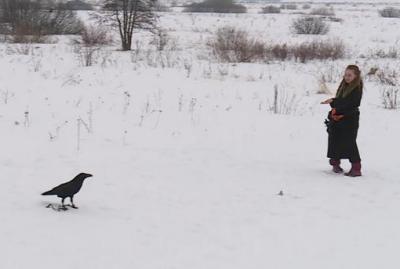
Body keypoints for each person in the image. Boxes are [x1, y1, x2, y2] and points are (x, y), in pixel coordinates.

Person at [321, 65, 363, 177]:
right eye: (345, 75)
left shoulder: (357, 88)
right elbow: (341, 100)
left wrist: (336, 106)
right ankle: (335, 163)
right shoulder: (344, 86)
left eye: (350, 75)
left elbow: (352, 103)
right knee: (334, 139)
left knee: (349, 142)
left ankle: (356, 168)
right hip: (339, 117)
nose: (347, 77)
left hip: (350, 118)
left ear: (356, 76)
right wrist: (333, 104)